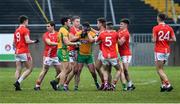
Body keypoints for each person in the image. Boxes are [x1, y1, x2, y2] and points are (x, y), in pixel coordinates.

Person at [50, 16, 80, 91]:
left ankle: (55, 81)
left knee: (69, 68)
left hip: (64, 50)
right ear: (65, 23)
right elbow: (66, 42)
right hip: (63, 51)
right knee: (64, 70)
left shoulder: (63, 29)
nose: (70, 23)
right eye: (69, 22)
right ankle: (60, 86)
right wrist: (76, 43)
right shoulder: (64, 30)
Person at [96, 22, 127, 91]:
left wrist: (102, 41)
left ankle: (106, 84)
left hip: (104, 56)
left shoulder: (102, 34)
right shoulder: (115, 34)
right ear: (112, 27)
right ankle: (113, 84)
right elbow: (119, 42)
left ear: (106, 26)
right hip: (113, 56)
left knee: (105, 70)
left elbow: (96, 42)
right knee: (119, 70)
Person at [13, 15, 39, 91]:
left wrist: (18, 48)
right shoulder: (25, 30)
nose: (28, 22)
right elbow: (27, 41)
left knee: (18, 69)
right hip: (24, 51)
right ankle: (18, 82)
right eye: (27, 21)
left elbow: (14, 42)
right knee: (29, 68)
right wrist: (35, 41)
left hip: (17, 51)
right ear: (25, 21)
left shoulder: (17, 30)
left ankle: (17, 86)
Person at [152, 13, 176, 92]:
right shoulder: (169, 28)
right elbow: (174, 39)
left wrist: (154, 39)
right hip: (167, 50)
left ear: (158, 18)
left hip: (159, 50)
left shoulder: (156, 28)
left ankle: (168, 84)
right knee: (161, 69)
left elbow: (154, 40)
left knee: (159, 70)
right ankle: (163, 86)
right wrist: (166, 40)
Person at [34, 21, 61, 90]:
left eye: (48, 26)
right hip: (47, 56)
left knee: (60, 71)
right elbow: (49, 43)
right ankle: (37, 86)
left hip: (56, 56)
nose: (47, 27)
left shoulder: (58, 34)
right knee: (44, 70)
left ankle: (55, 84)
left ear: (53, 26)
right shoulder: (45, 34)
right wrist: (59, 44)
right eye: (47, 26)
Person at [75, 22, 100, 90]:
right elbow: (74, 41)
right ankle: (76, 86)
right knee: (78, 71)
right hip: (81, 55)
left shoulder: (91, 34)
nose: (83, 29)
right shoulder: (79, 33)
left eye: (85, 28)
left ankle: (96, 82)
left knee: (92, 71)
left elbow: (93, 39)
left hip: (89, 56)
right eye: (83, 28)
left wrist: (89, 31)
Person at [64, 16, 81, 90]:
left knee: (77, 70)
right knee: (72, 69)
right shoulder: (71, 29)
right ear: (73, 22)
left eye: (79, 21)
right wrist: (79, 36)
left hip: (78, 51)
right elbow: (71, 39)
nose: (78, 23)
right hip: (72, 50)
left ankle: (74, 86)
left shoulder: (79, 29)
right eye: (77, 21)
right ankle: (63, 83)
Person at [117, 18, 135, 91]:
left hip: (126, 54)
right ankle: (130, 85)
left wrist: (115, 37)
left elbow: (120, 43)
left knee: (125, 70)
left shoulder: (126, 33)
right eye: (120, 24)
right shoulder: (119, 31)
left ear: (126, 25)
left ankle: (130, 85)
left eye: (121, 24)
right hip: (120, 54)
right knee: (122, 70)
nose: (120, 25)